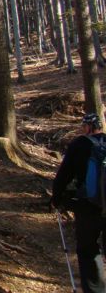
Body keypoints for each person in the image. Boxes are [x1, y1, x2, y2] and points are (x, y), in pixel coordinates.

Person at [52, 113, 106, 293]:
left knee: (88, 249)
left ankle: (94, 289)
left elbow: (64, 174)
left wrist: (56, 198)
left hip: (87, 206)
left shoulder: (79, 145)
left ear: (88, 127)